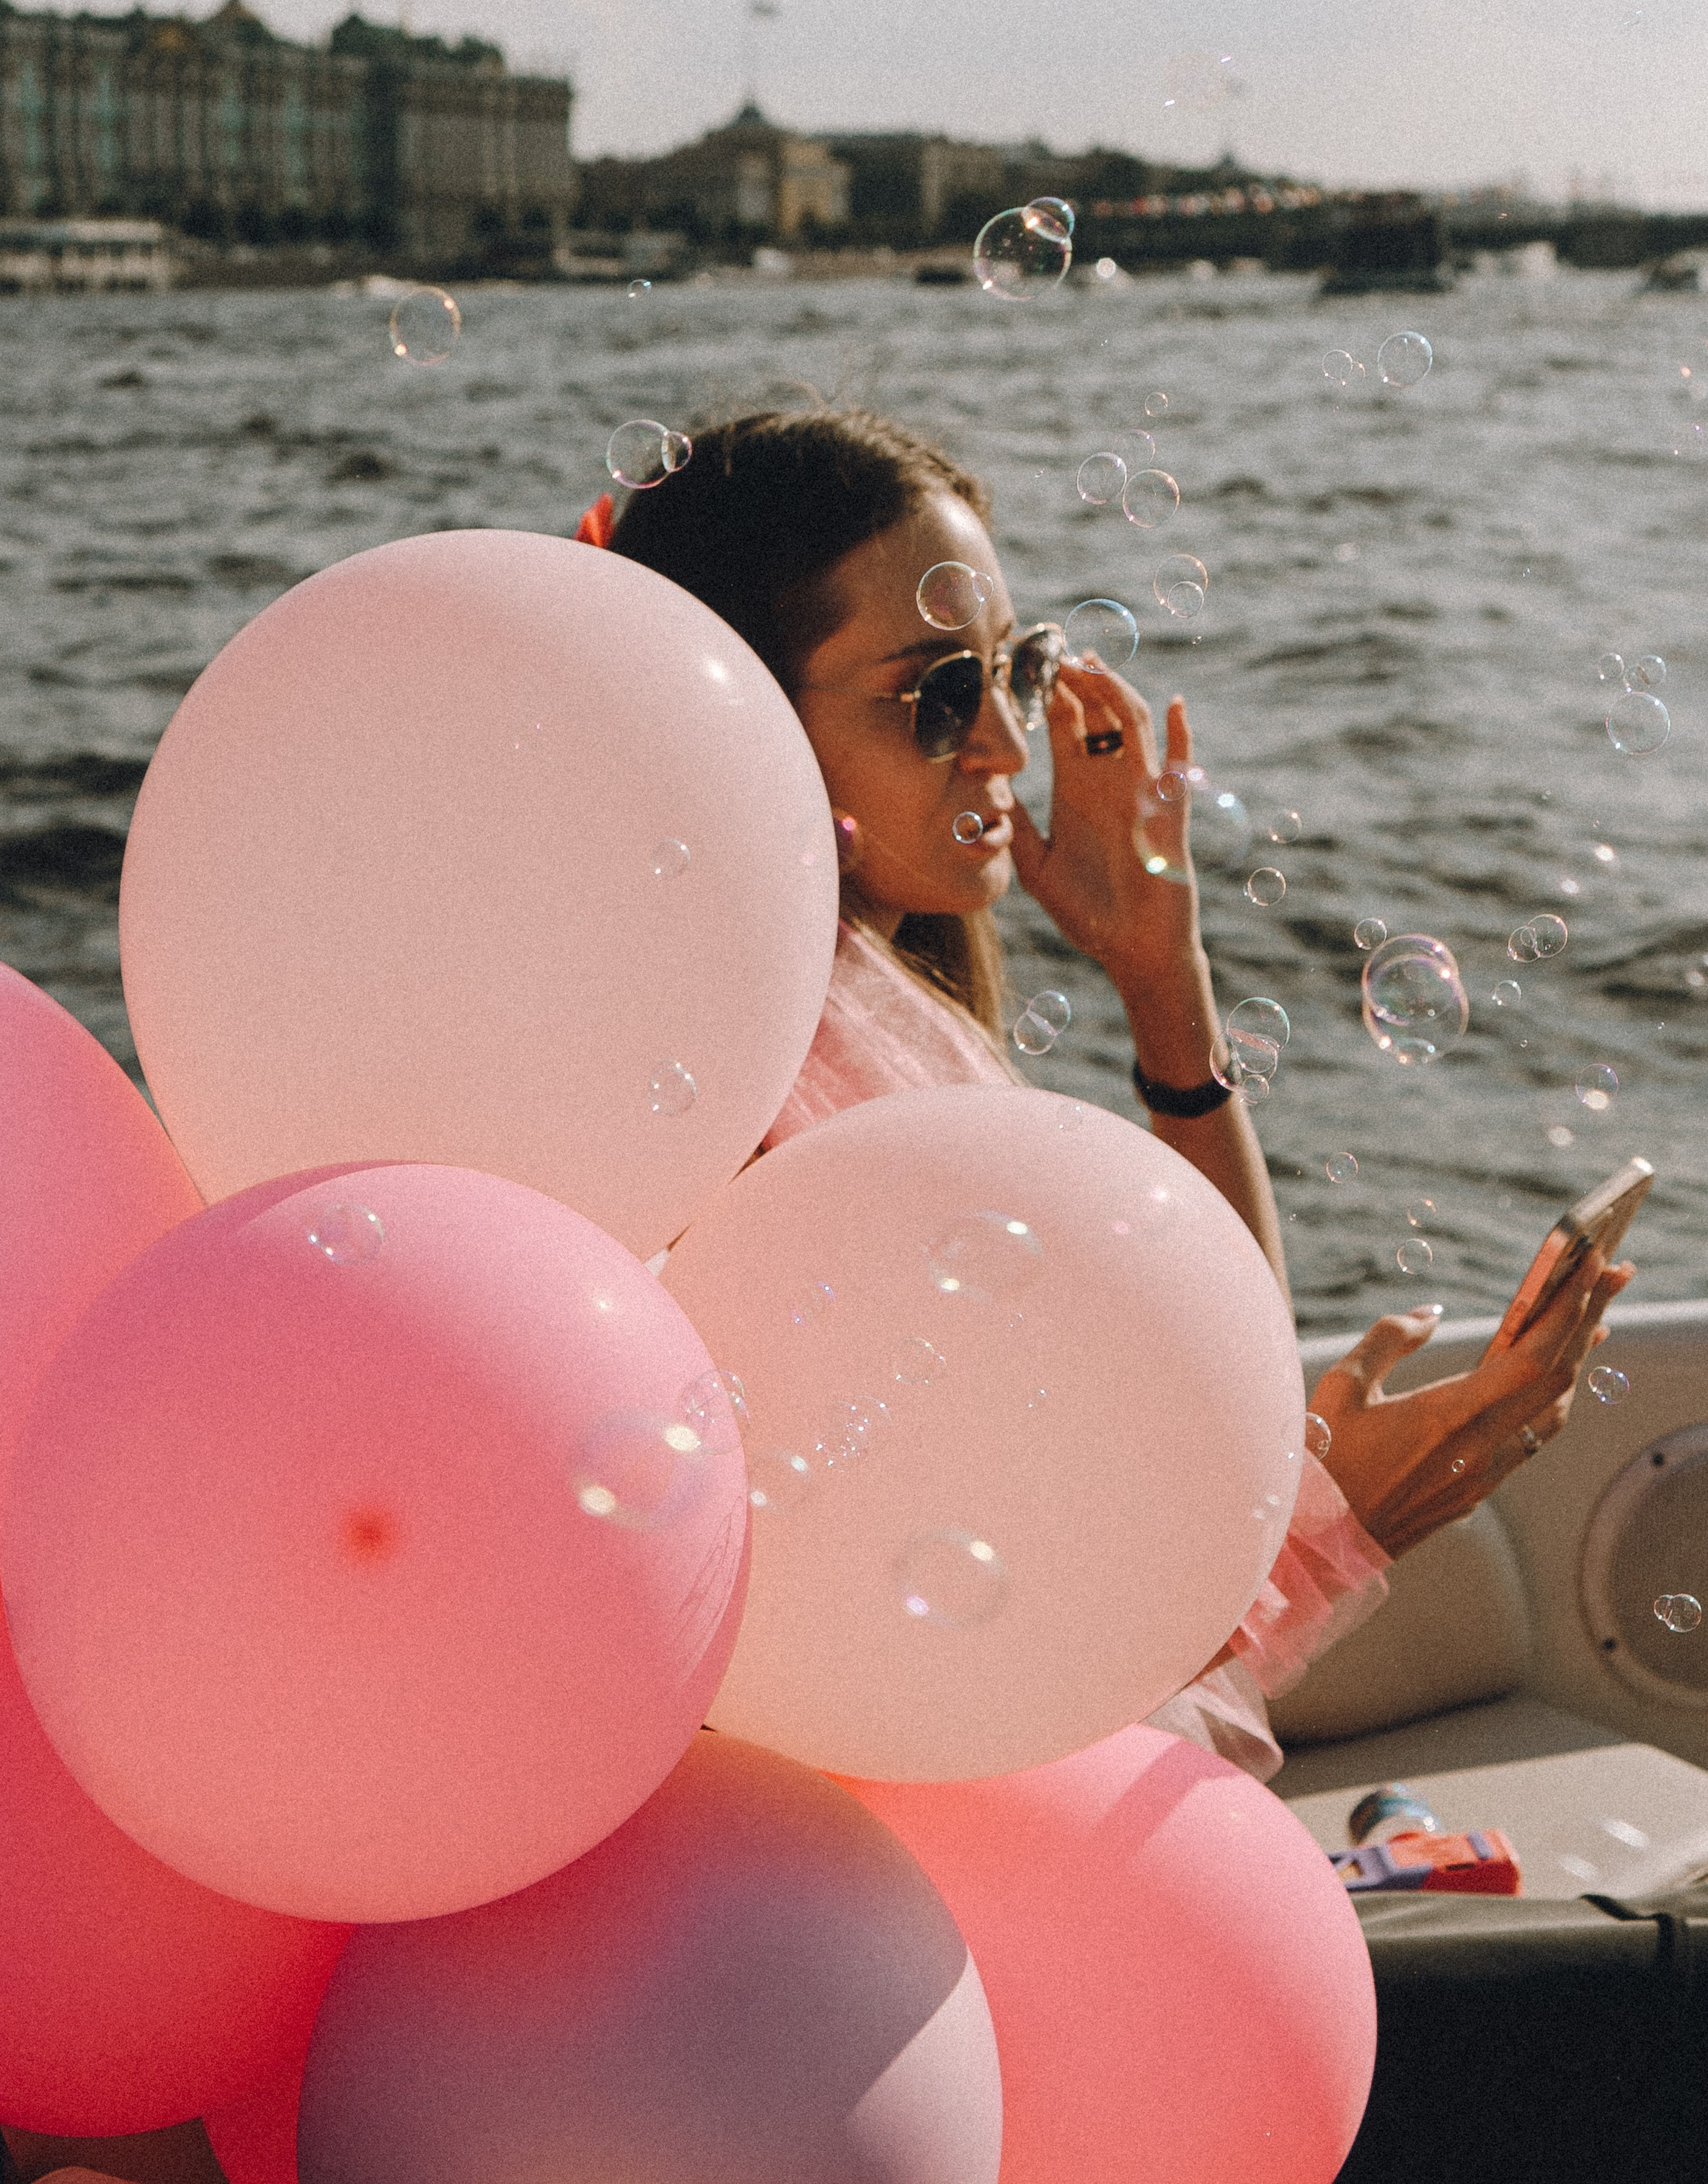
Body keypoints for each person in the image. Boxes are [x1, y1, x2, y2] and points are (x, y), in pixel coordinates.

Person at [597, 404, 1632, 1771]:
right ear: (737, 702)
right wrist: (1333, 1526)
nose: (1007, 751)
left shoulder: (856, 1013)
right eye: (937, 696)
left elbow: (1219, 1392)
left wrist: (1162, 977)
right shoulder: (714, 1113)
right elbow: (918, 1670)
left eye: (1009, 674)